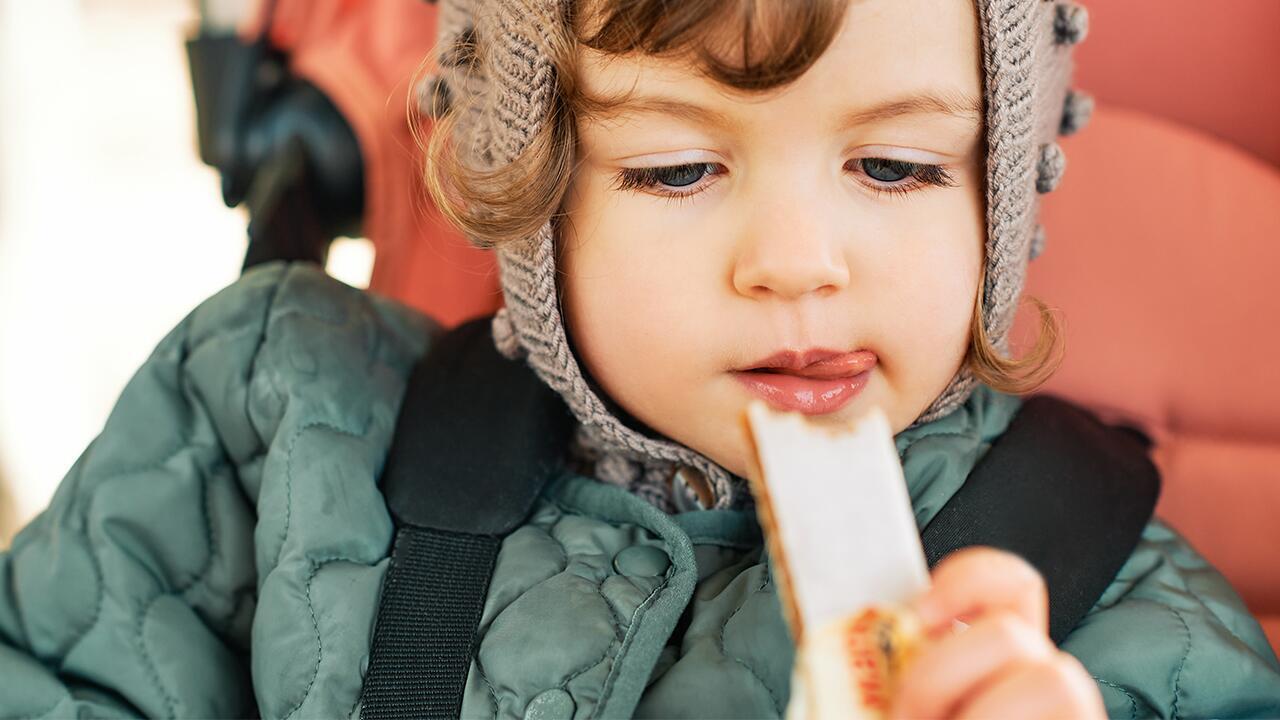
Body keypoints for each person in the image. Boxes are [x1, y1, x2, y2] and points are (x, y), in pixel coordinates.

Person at [2, 0, 1278, 717]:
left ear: (992, 203)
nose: (794, 262)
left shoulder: (1109, 621)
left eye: (894, 165)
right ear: (538, 193)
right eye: (677, 167)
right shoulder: (272, 415)